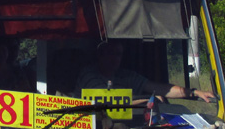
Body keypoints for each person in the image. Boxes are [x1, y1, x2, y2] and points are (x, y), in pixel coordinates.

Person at [76, 40, 216, 103]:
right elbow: (107, 102)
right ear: (100, 55)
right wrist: (147, 101)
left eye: (118, 54)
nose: (114, 58)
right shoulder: (89, 74)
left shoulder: (126, 75)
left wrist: (192, 92)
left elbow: (159, 88)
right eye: (110, 53)